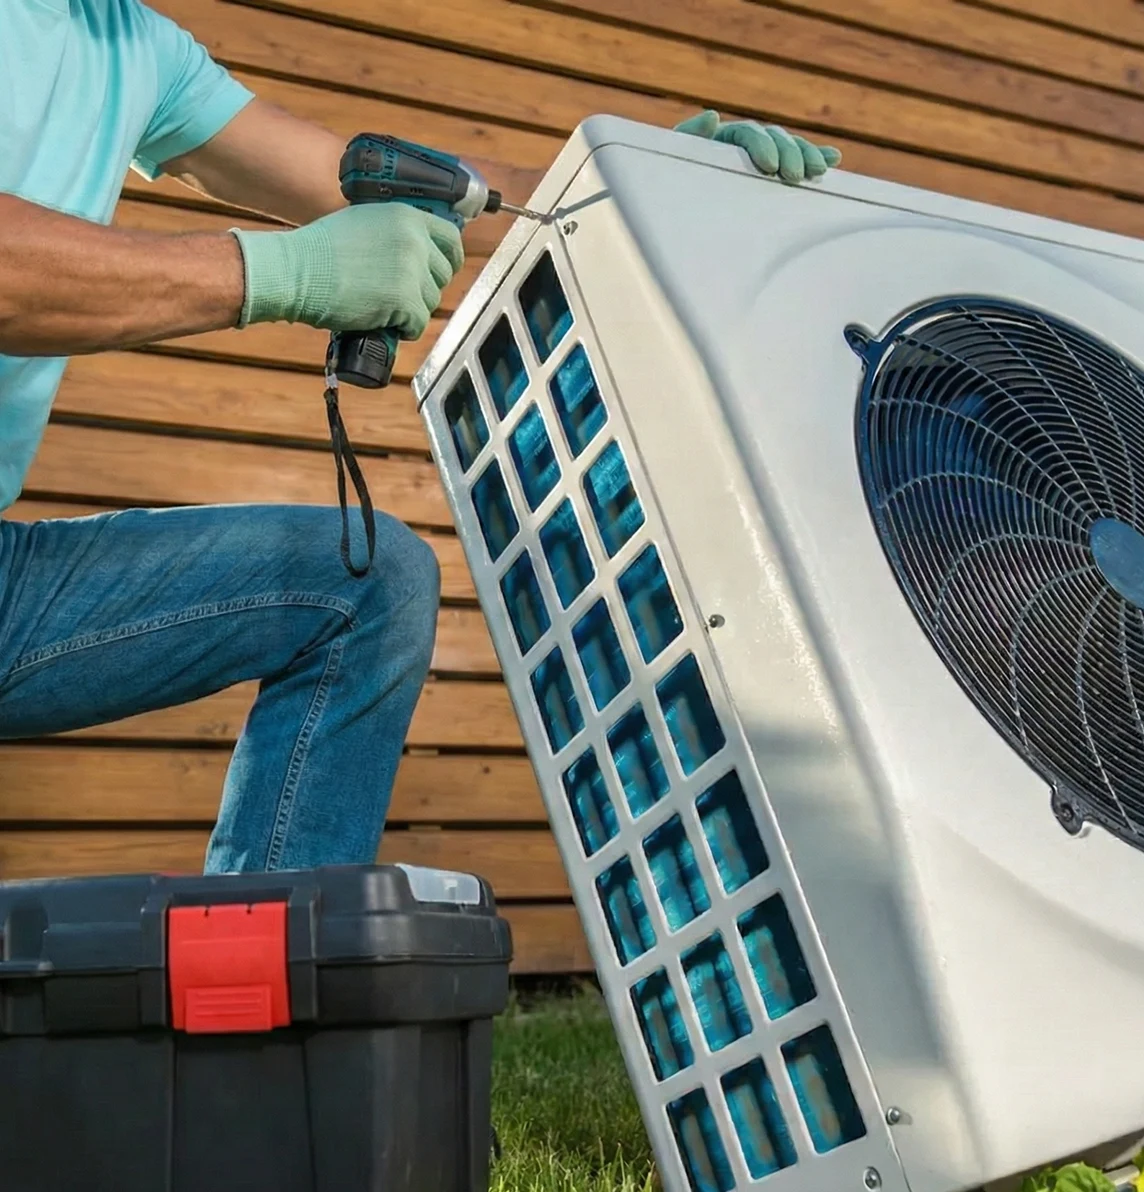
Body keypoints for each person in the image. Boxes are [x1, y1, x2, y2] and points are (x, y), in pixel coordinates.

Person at [0, 0, 842, 874]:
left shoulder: (126, 40)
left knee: (369, 582)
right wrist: (280, 272)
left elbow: (373, 182)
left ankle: (269, 978)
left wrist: (640, 184)